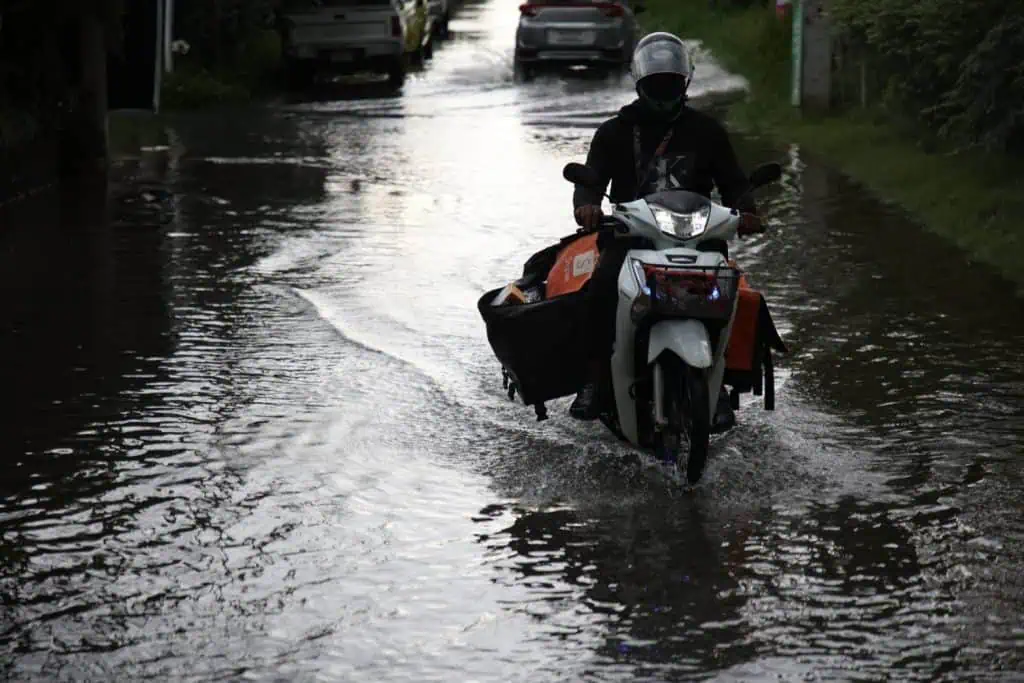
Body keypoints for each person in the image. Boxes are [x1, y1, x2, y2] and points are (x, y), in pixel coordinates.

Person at [568, 31, 764, 431]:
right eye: (656, 84)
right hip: (629, 239)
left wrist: (747, 211)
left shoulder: (707, 131)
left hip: (701, 242)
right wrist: (586, 206)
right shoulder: (614, 132)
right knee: (601, 288)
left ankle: (720, 382)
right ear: (640, 84)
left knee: (728, 294)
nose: (664, 90)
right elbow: (590, 180)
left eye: (671, 83)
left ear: (684, 83)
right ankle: (595, 380)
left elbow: (734, 182)